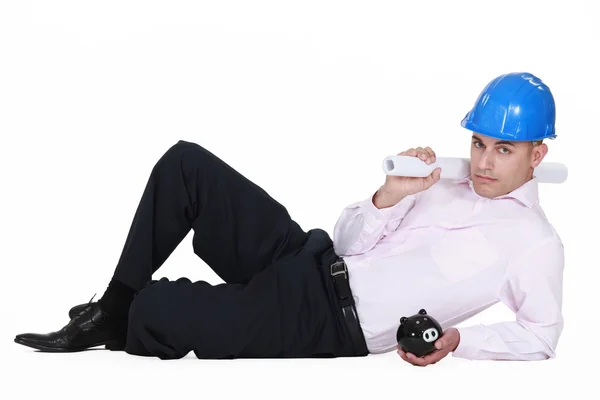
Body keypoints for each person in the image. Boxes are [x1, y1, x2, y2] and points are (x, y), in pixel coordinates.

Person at [14, 72, 564, 366]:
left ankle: (128, 315)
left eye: (504, 150)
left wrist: (454, 342)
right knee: (187, 164)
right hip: (312, 258)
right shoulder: (443, 181)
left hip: (327, 322)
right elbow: (349, 241)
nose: (485, 162)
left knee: (157, 310)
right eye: (479, 143)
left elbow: (541, 335)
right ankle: (110, 308)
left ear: (536, 155)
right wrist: (390, 195)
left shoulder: (533, 244)